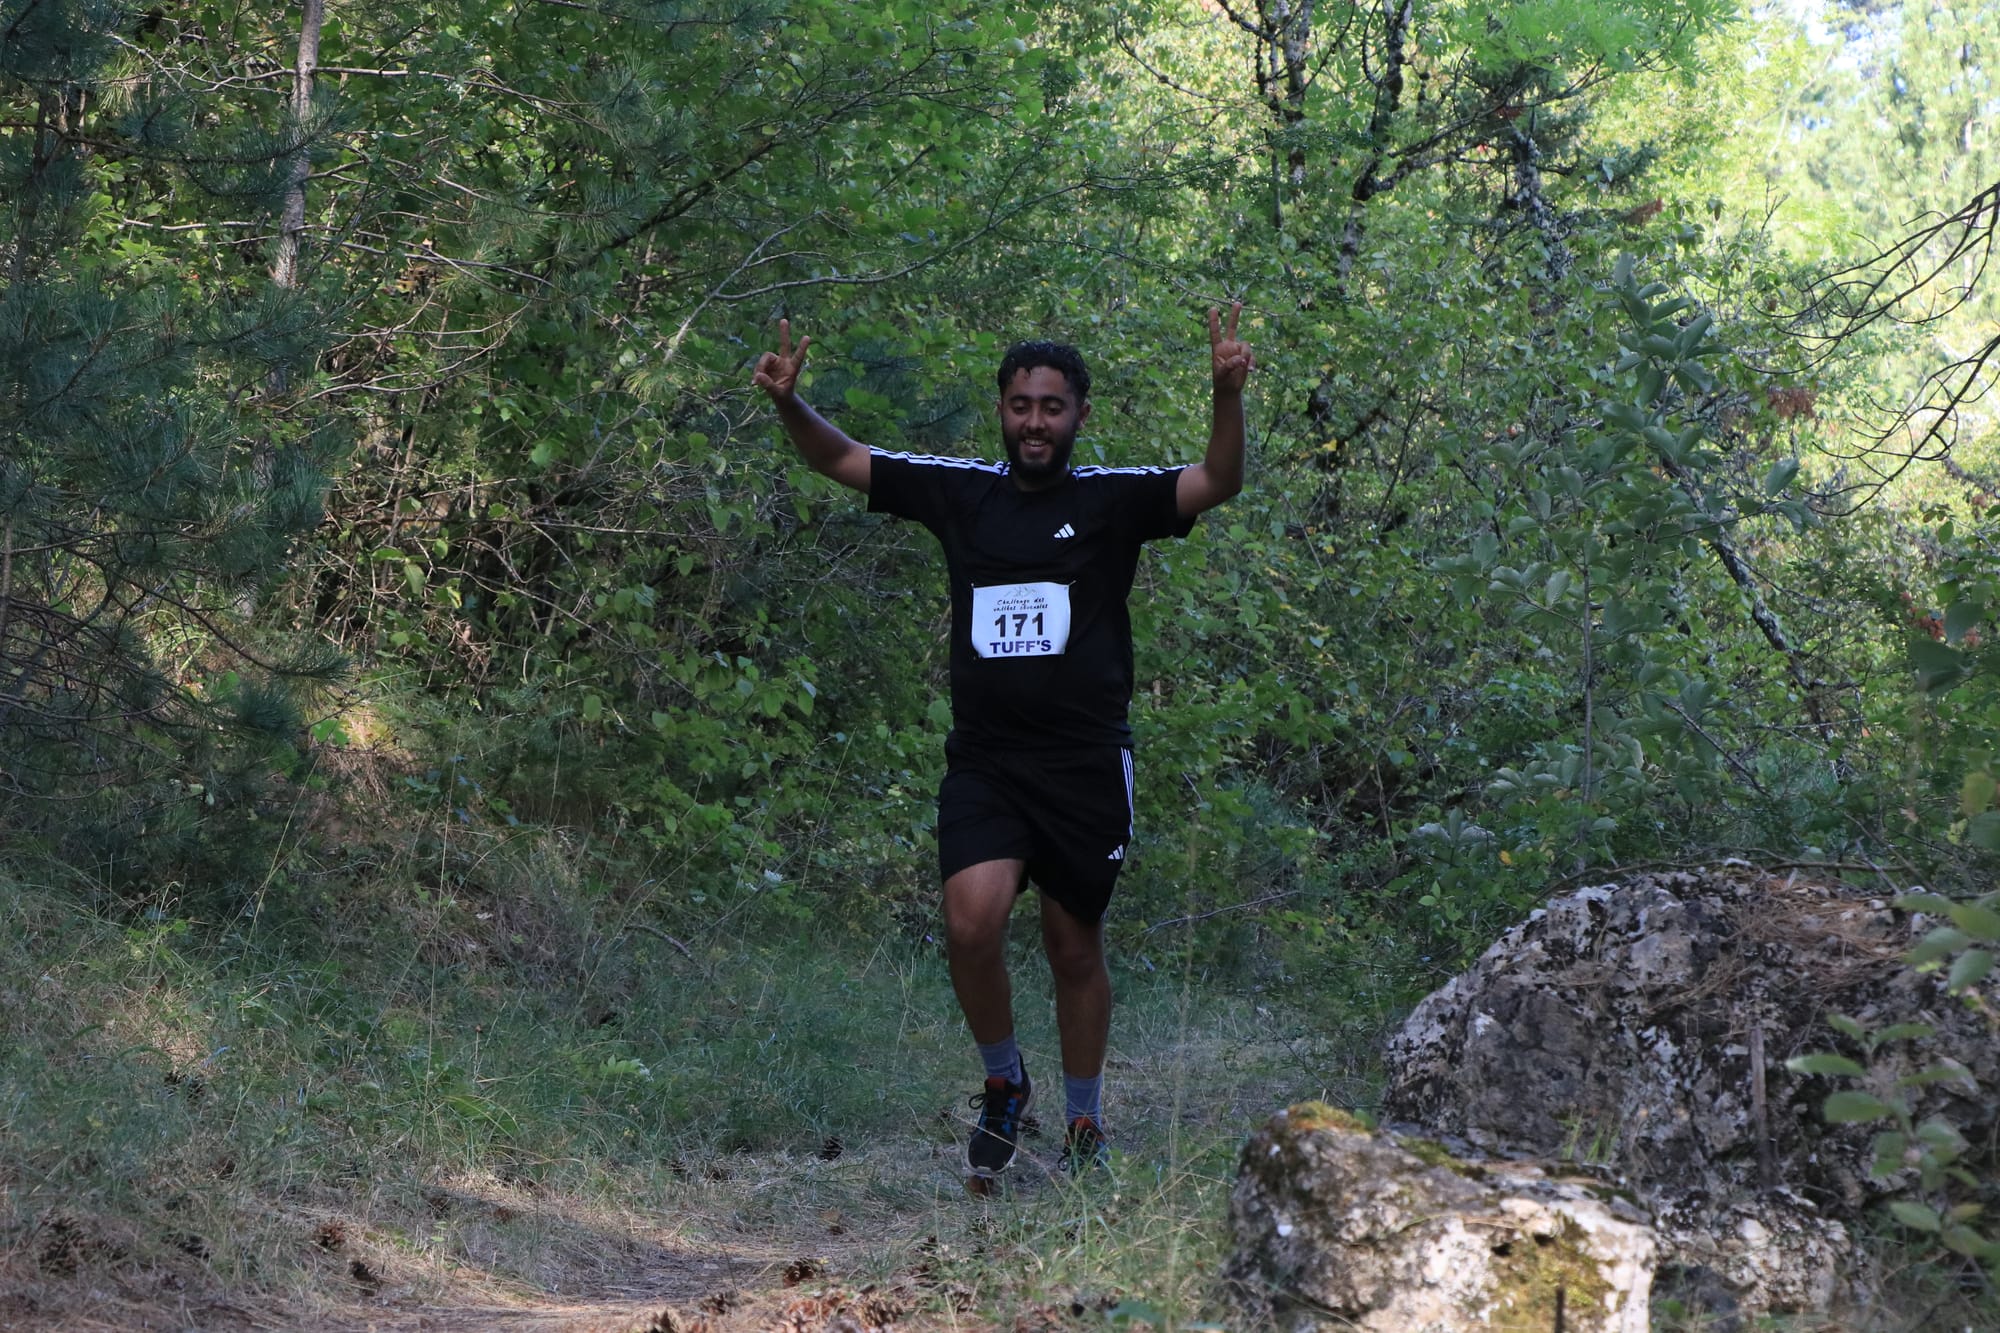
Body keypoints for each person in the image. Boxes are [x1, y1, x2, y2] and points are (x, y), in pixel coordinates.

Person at [751, 308, 1253, 1184]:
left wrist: (1224, 394)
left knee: (1072, 946)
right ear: (1001, 410)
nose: (1034, 421)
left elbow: (1217, 478)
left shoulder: (1111, 500)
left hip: (1085, 762)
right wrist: (792, 403)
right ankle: (1003, 1078)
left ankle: (1086, 1118)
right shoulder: (961, 492)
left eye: (1052, 406)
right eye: (1020, 404)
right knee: (969, 923)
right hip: (987, 760)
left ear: (1079, 415)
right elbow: (841, 459)